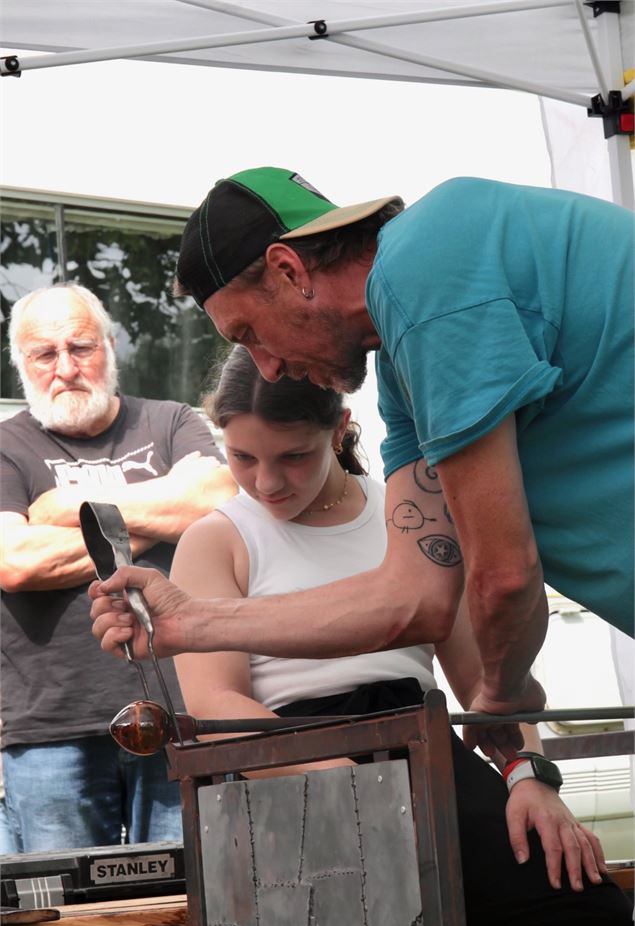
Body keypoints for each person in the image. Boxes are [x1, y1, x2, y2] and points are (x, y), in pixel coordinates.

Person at [90, 168, 634, 759]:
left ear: (289, 270)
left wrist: (501, 695)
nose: (266, 368)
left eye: (249, 331)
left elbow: (504, 575)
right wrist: (185, 623)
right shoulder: (406, 369)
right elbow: (414, 598)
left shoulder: (428, 266)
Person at [167, 345, 632, 926]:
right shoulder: (216, 539)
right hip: (284, 759)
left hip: (421, 745)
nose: (267, 482)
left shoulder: (407, 515)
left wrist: (530, 777)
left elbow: (488, 681)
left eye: (294, 456)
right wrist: (342, 773)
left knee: (578, 909)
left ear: (340, 430)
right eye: (243, 457)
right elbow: (215, 708)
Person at [0, 283, 236, 853]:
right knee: (68, 920)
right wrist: (162, 516)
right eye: (44, 354)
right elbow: (13, 561)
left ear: (111, 347)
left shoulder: (172, 421)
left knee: (191, 901)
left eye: (81, 347)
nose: (65, 367)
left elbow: (220, 499)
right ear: (21, 367)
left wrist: (65, 514)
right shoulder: (6, 448)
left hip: (183, 709)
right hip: (51, 724)